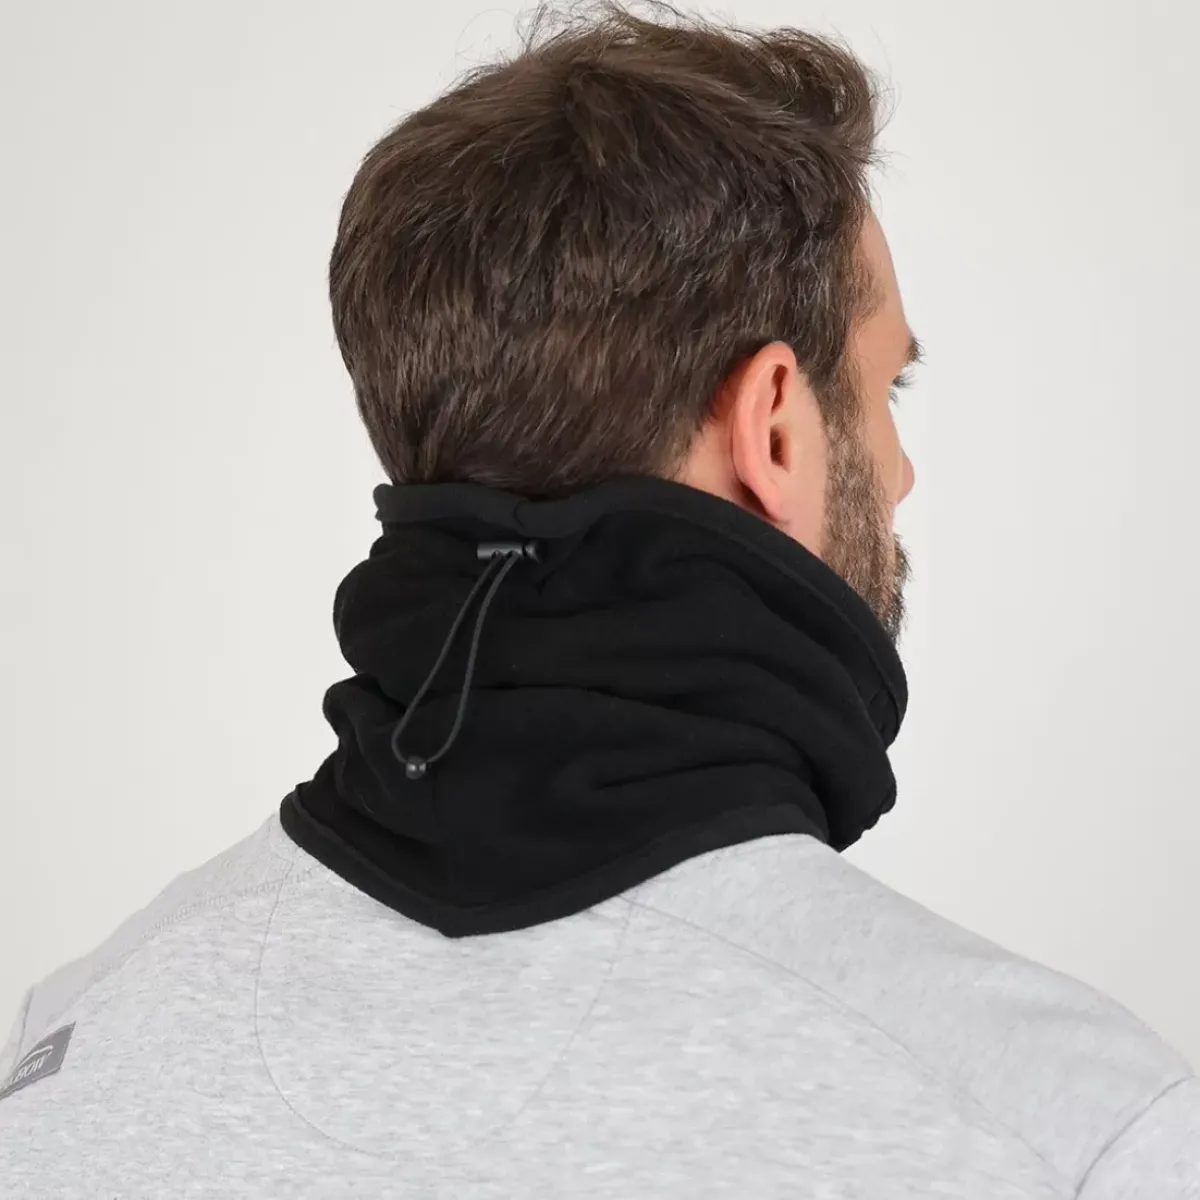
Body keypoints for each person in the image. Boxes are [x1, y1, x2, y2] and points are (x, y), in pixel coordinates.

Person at [2, 4, 1196, 1195]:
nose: (900, 471)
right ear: (776, 425)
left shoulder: (70, 1053)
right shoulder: (1072, 1128)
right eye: (887, 392)